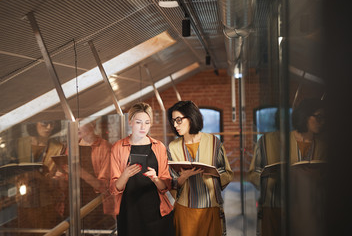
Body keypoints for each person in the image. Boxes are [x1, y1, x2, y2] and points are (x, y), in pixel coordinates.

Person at [248, 97, 327, 236]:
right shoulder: (268, 141)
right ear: (305, 115)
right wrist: (271, 179)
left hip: (309, 210)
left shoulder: (323, 146)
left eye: (325, 117)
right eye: (319, 117)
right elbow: (254, 174)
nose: (323, 122)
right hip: (275, 207)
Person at [167, 100, 234, 236]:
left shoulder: (214, 142)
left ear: (191, 117)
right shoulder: (172, 147)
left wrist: (214, 173)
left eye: (179, 120)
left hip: (210, 208)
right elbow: (171, 182)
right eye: (173, 121)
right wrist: (182, 178)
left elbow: (227, 172)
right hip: (185, 210)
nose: (175, 125)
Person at [108, 102, 174, 236]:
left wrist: (155, 178)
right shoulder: (118, 147)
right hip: (129, 212)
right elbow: (114, 188)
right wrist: (125, 175)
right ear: (130, 122)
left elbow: (165, 186)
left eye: (147, 122)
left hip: (157, 211)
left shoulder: (159, 146)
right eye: (138, 122)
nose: (143, 127)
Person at [16, 120, 66, 229]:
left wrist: (44, 179)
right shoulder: (20, 144)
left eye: (52, 124)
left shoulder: (58, 147)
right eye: (44, 123)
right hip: (24, 201)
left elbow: (61, 179)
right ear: (34, 123)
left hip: (47, 202)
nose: (49, 127)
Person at [76, 122, 116, 230]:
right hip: (76, 200)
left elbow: (103, 186)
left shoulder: (105, 148)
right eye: (74, 123)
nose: (77, 127)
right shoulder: (72, 147)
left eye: (80, 123)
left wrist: (79, 172)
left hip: (97, 204)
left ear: (92, 125)